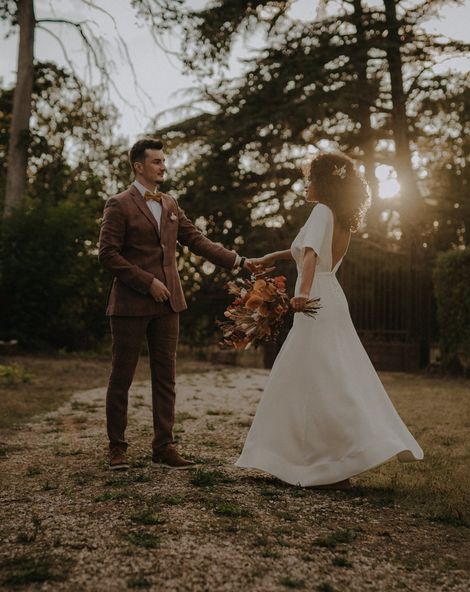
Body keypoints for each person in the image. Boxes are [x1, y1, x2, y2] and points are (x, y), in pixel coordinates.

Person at [236, 151, 423, 489]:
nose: (306, 185)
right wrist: (272, 257)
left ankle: (315, 463)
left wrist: (301, 294)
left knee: (307, 377)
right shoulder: (340, 216)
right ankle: (321, 460)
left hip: (315, 299)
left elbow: (311, 255)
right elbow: (304, 250)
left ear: (322, 182)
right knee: (328, 376)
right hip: (331, 296)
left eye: (309, 179)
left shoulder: (321, 211)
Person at [99, 137, 257, 470]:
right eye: (156, 161)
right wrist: (147, 282)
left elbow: (197, 240)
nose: (163, 166)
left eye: (163, 161)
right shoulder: (119, 204)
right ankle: (117, 448)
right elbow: (108, 254)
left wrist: (239, 261)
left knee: (166, 377)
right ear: (138, 166)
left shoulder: (170, 203)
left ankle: (164, 446)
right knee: (121, 376)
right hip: (129, 304)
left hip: (169, 304)